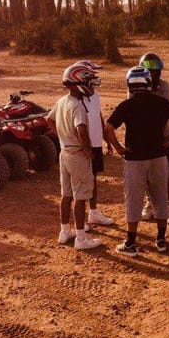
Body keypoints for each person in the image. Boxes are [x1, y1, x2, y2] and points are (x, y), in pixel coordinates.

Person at [105, 66, 169, 256]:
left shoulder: (126, 105)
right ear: (148, 82)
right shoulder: (159, 102)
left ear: (129, 84)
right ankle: (161, 240)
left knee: (134, 199)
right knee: (160, 198)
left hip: (135, 159)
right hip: (159, 156)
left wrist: (118, 148)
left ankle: (131, 242)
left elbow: (109, 128)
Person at [46, 64, 102, 251]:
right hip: (77, 154)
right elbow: (81, 130)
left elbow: (49, 119)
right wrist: (87, 149)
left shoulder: (62, 101)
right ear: (79, 84)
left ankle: (64, 232)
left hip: (65, 152)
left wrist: (62, 136)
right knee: (80, 196)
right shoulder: (78, 106)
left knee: (66, 194)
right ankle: (81, 237)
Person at [70, 59, 114, 228]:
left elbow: (98, 116)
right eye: (92, 75)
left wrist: (106, 138)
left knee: (93, 179)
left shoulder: (95, 96)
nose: (96, 78)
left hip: (95, 144)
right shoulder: (76, 99)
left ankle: (93, 213)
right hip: (83, 146)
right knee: (81, 183)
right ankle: (79, 222)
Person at [135, 52, 169, 224]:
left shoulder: (164, 86)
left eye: (155, 70)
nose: (152, 74)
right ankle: (149, 203)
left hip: (164, 136)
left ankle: (168, 206)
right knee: (146, 174)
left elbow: (164, 111)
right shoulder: (135, 86)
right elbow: (133, 109)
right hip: (144, 138)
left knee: (166, 173)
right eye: (148, 71)